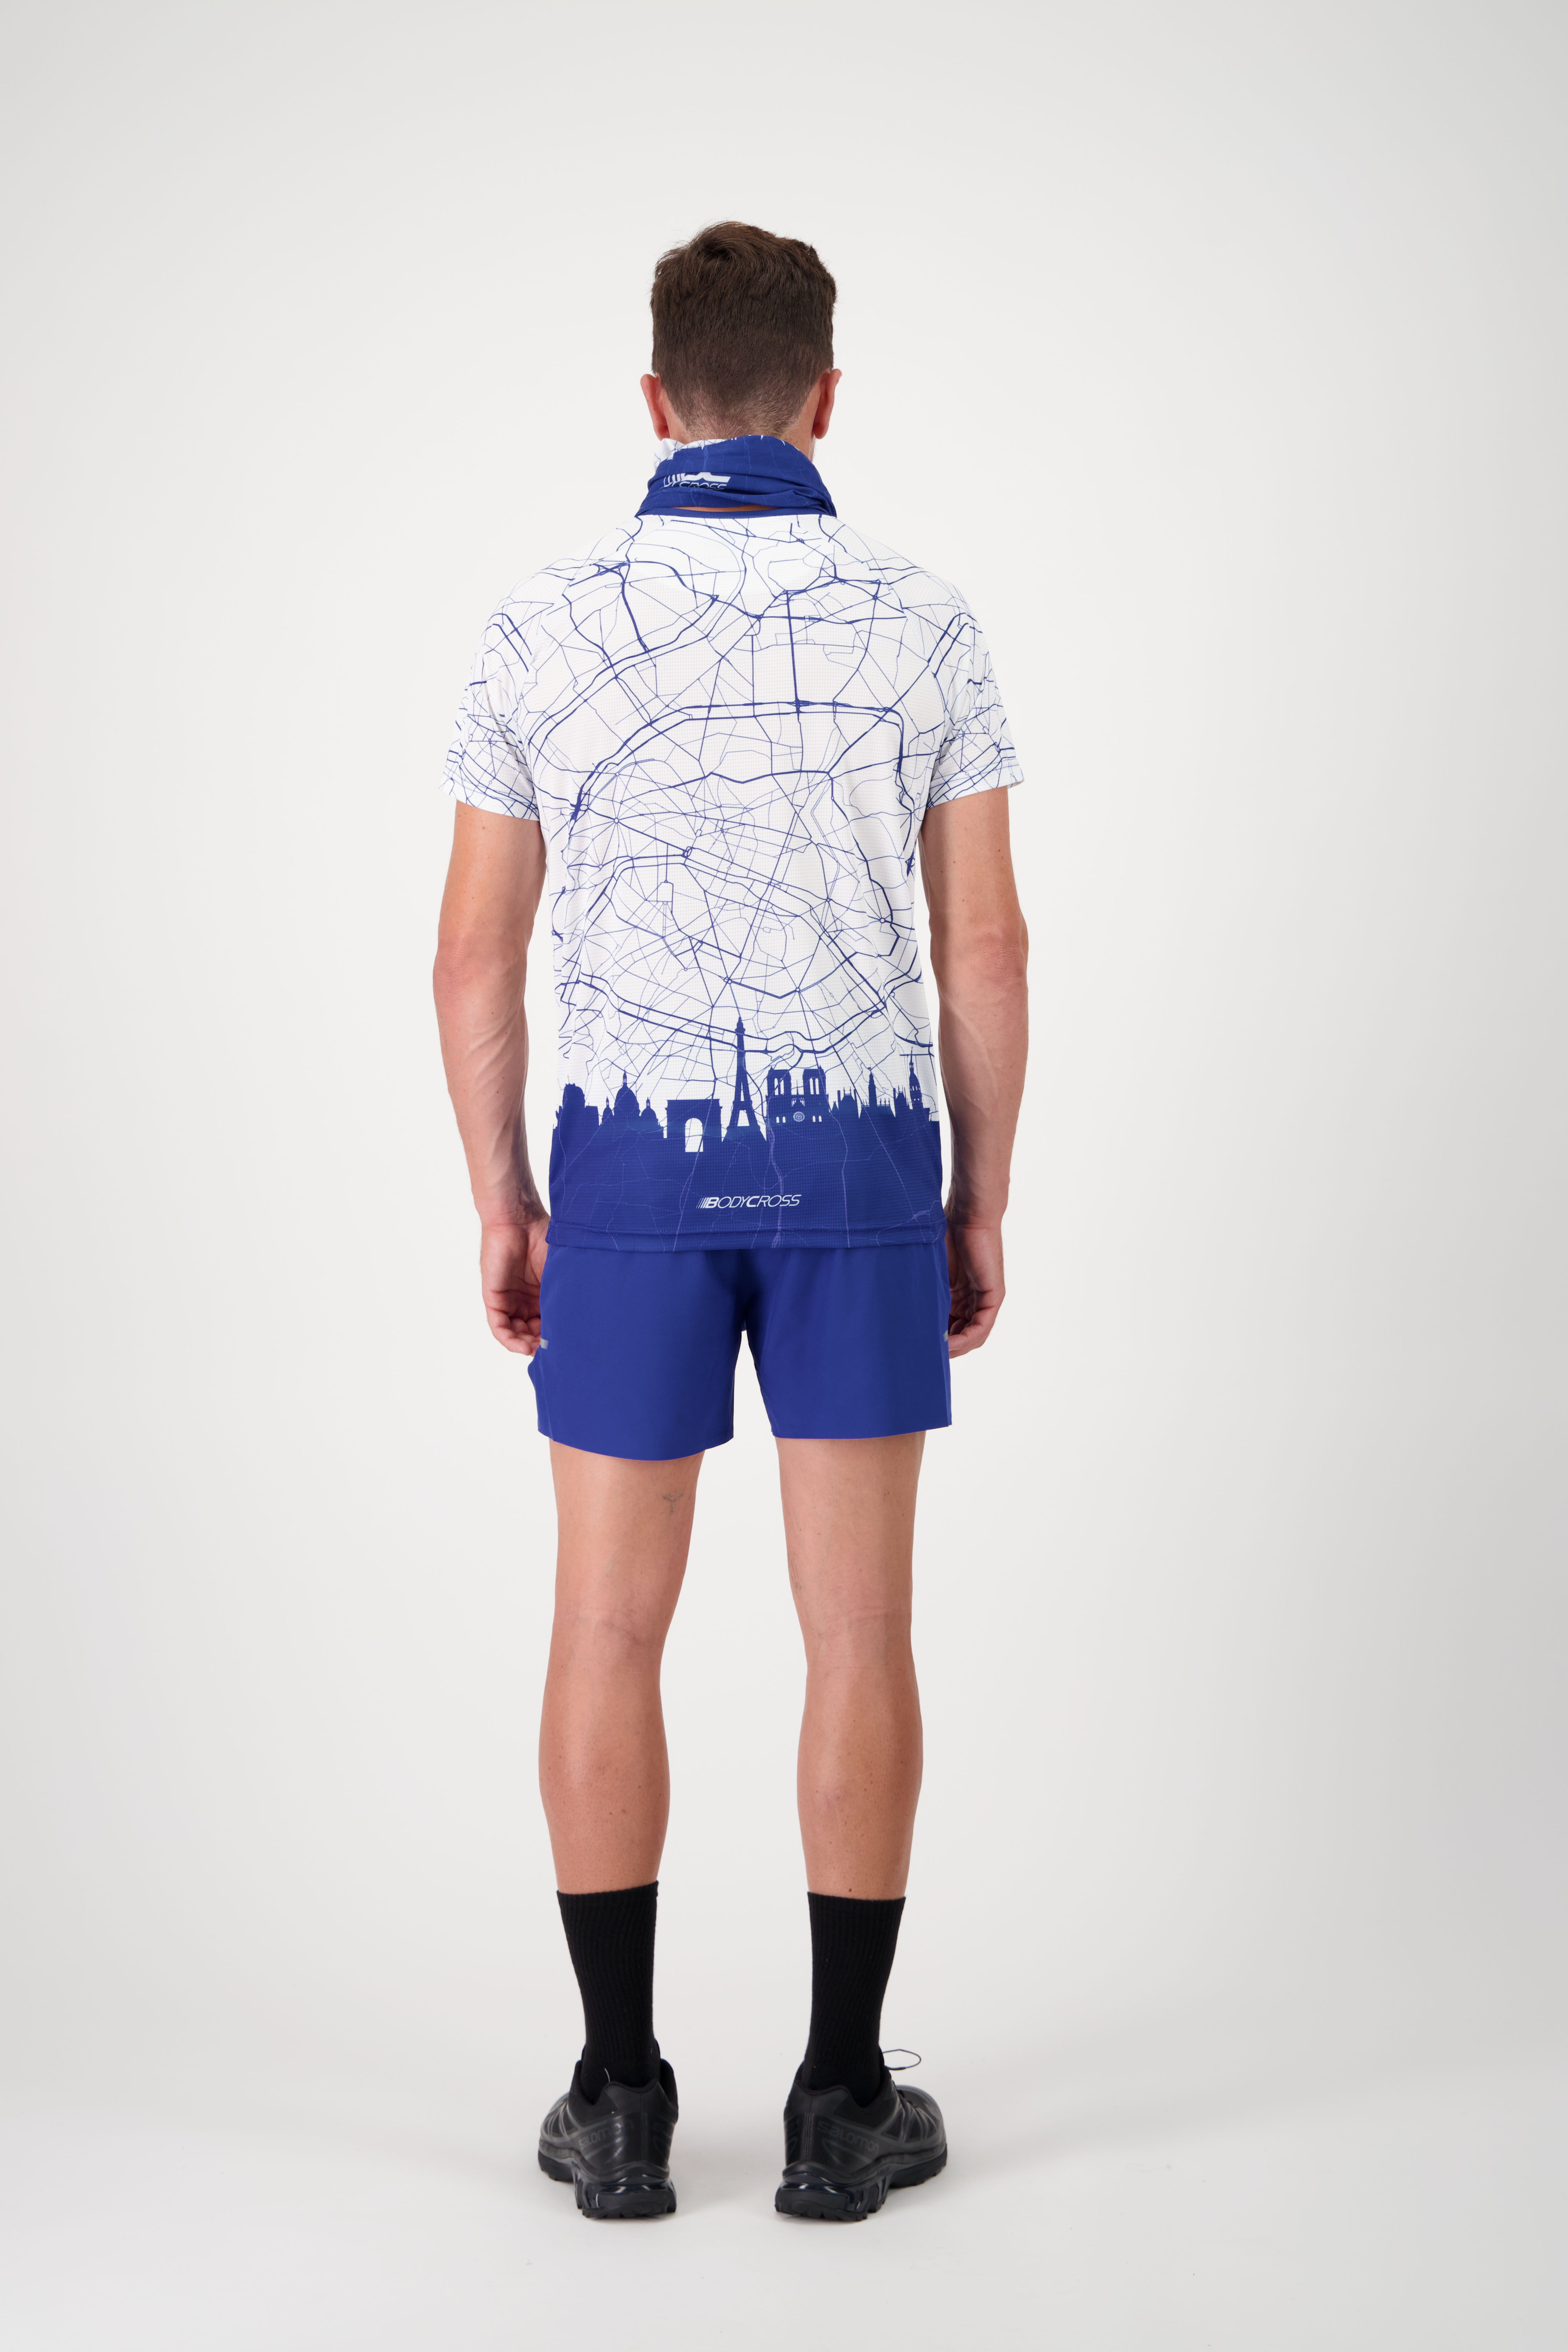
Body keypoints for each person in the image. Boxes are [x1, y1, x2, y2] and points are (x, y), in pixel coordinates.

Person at [433, 221, 1028, 2222]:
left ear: (655, 398)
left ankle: (617, 2101)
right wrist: (979, 1193)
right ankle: (842, 2104)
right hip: (859, 1166)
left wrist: (507, 1197)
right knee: (860, 1630)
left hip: (626, 1178)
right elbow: (988, 947)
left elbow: (470, 960)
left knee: (607, 1623)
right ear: (826, 397)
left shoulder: (540, 624)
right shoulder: (924, 621)